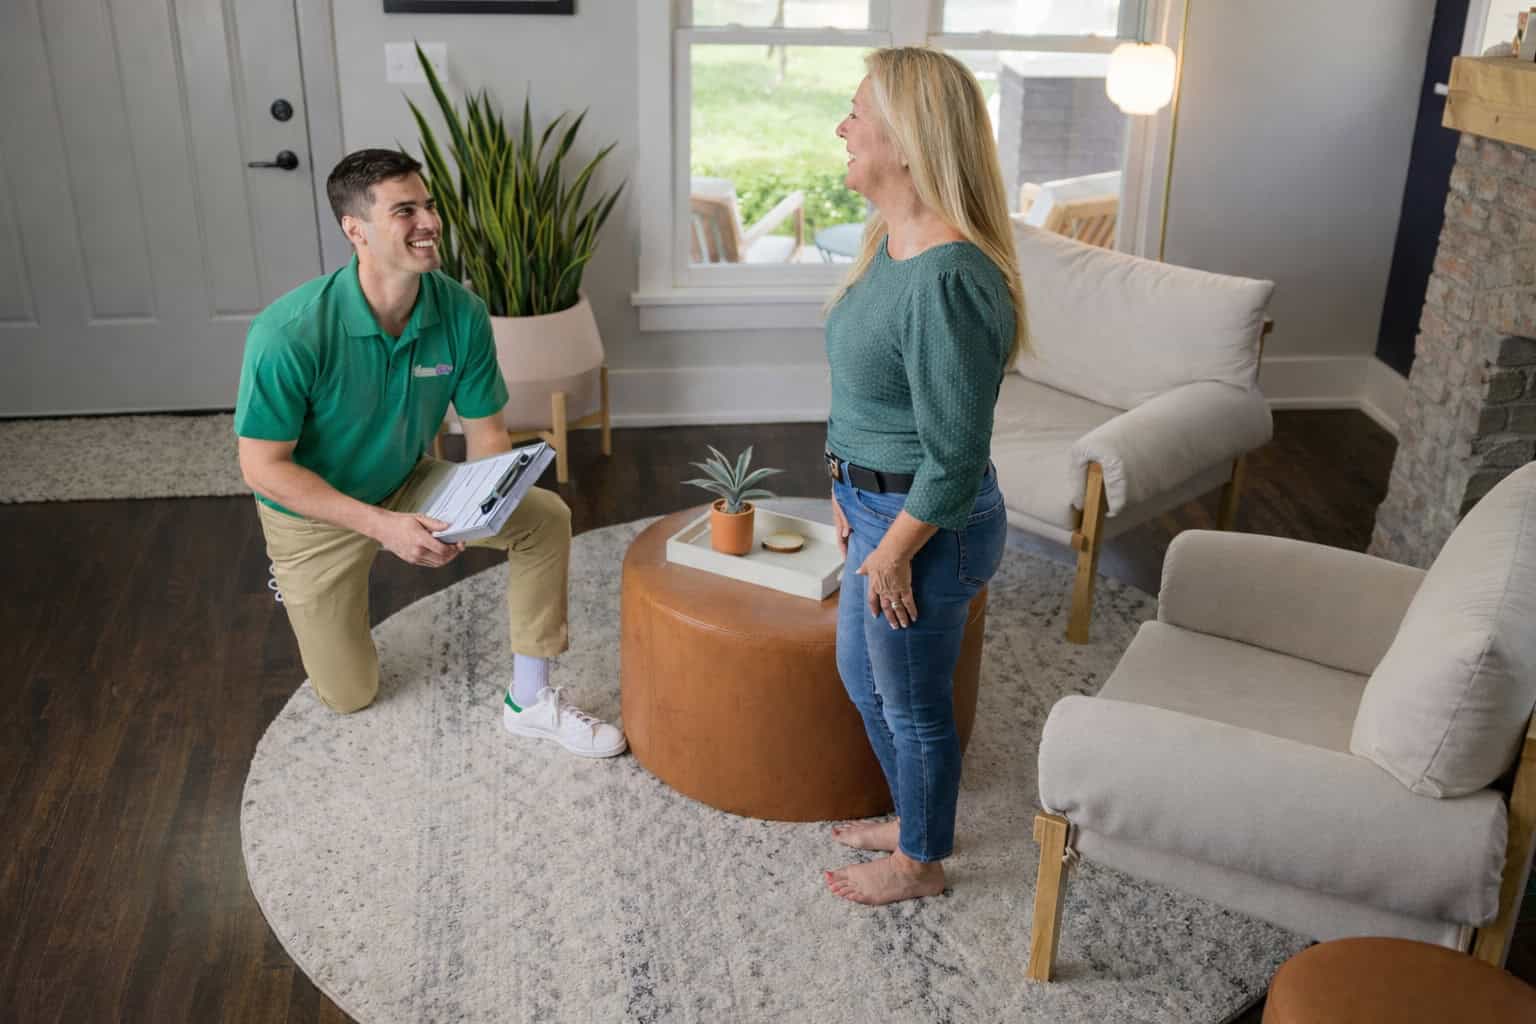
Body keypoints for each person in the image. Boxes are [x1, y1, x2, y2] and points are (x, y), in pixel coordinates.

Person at [235, 148, 624, 758]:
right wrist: (380, 527)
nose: (429, 221)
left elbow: (486, 432)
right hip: (313, 517)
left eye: (430, 204)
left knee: (544, 518)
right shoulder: (289, 334)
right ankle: (298, 580)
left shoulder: (460, 311)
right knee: (349, 693)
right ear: (355, 230)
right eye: (405, 210)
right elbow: (262, 468)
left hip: (403, 479)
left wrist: (482, 506)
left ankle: (529, 699)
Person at [821, 48, 1024, 904]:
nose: (843, 127)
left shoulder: (946, 277)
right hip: (873, 510)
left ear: (906, 141)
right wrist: (840, 493)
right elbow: (862, 396)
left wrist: (896, 550)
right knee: (865, 680)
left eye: (858, 112)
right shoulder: (889, 244)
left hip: (925, 526)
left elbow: (955, 455)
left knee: (911, 705)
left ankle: (921, 864)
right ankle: (914, 819)